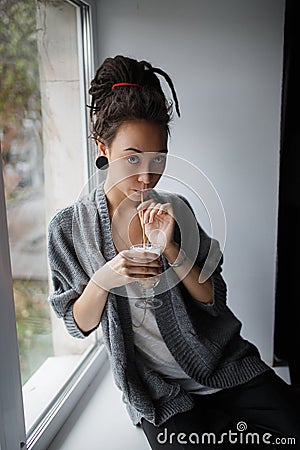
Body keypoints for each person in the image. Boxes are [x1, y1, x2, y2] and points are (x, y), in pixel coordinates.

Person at [48, 55, 299, 449]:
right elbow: (77, 323)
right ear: (103, 147)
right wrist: (104, 278)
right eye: (132, 158)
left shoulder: (176, 208)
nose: (147, 175)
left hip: (224, 365)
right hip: (159, 393)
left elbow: (213, 298)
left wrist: (174, 251)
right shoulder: (68, 229)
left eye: (158, 158)